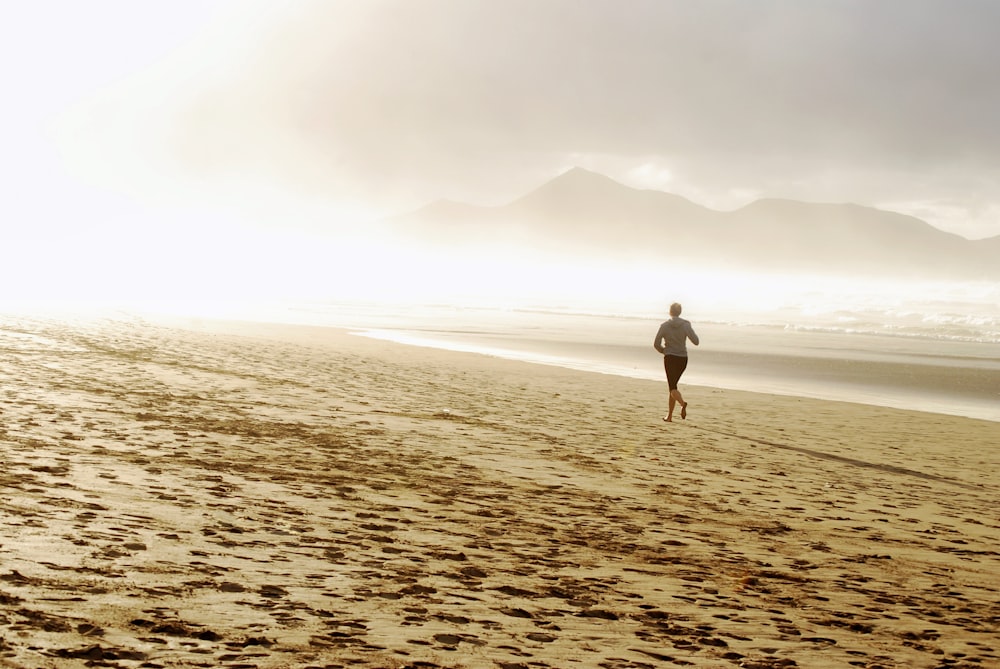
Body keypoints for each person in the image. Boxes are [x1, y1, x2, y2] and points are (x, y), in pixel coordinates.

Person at [653, 302, 699, 422]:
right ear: (680, 312)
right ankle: (669, 416)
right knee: (673, 387)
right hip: (683, 359)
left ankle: (683, 403)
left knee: (672, 387)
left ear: (670, 312)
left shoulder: (664, 326)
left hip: (670, 358)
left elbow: (656, 344)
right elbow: (696, 341)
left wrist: (664, 351)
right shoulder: (685, 325)